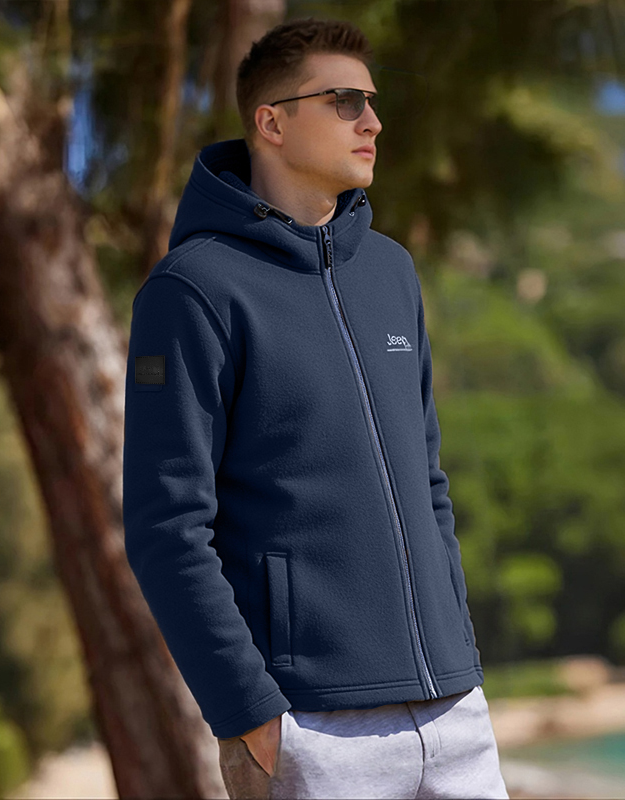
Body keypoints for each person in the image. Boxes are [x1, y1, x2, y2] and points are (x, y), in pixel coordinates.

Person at [122, 15, 510, 800]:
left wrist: (458, 651)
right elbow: (167, 526)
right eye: (344, 101)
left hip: (456, 714)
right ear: (272, 123)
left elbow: (428, 486)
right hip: (315, 730)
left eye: (372, 102)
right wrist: (247, 709)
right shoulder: (194, 290)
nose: (373, 122)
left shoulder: (392, 272)